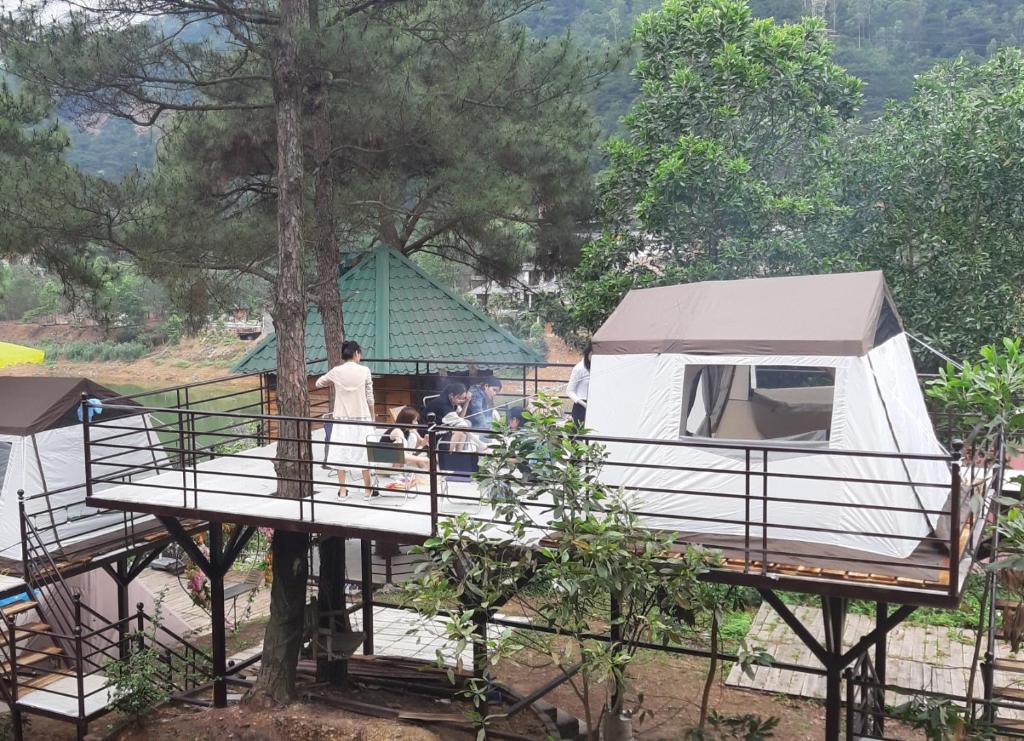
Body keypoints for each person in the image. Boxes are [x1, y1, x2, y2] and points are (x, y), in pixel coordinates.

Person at [315, 340, 375, 499]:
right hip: (362, 417)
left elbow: (318, 382)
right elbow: (370, 397)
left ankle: (342, 491)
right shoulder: (365, 371)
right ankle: (368, 491)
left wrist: (335, 382)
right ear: (356, 354)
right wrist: (373, 416)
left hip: (342, 418)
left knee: (341, 451)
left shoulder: (336, 371)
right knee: (364, 453)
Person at [567, 342, 592, 426]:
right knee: (579, 436)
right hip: (581, 407)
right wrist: (584, 404)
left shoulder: (596, 366)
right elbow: (569, 391)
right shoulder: (579, 368)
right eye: (592, 354)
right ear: (587, 353)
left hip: (594, 405)